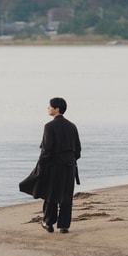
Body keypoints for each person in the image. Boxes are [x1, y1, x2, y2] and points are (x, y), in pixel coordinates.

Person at [33, 97, 81, 234]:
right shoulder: (72, 126)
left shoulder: (49, 126)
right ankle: (64, 226)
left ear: (57, 109)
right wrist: (70, 160)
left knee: (51, 195)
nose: (48, 108)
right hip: (69, 166)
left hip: (54, 167)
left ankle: (48, 222)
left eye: (50, 106)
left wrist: (41, 165)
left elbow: (46, 150)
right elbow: (78, 150)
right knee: (66, 196)